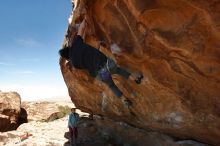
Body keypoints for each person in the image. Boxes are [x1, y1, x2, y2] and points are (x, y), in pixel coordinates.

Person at [59, 16, 143, 107]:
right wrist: (86, 18)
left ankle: (125, 101)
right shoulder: (76, 43)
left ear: (67, 57)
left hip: (100, 74)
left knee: (112, 86)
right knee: (119, 70)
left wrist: (97, 46)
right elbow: (82, 29)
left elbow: (89, 62)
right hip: (106, 64)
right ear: (68, 48)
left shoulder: (74, 63)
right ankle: (136, 79)